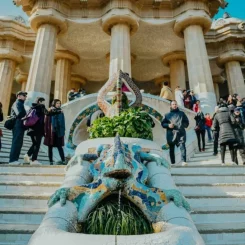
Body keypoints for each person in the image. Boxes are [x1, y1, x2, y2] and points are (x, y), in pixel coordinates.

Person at [161, 100, 189, 166]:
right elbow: (163, 124)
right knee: (171, 148)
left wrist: (181, 125)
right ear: (170, 105)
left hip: (181, 132)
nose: (174, 105)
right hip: (171, 133)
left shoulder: (182, 113)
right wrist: (168, 125)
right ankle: (172, 162)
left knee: (182, 146)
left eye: (175, 104)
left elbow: (186, 122)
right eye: (173, 104)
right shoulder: (167, 115)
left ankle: (184, 161)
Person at [24, 97, 47, 165]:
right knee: (37, 144)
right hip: (38, 129)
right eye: (43, 101)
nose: (44, 103)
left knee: (34, 143)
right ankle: (34, 160)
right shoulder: (41, 107)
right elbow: (47, 113)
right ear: (40, 102)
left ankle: (27, 155)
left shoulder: (32, 107)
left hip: (31, 128)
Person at [44, 99, 66, 165]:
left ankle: (63, 160)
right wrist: (46, 131)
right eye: (57, 103)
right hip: (51, 131)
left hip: (58, 131)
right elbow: (46, 122)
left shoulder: (61, 111)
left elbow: (63, 122)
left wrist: (63, 130)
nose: (58, 104)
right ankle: (51, 161)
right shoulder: (50, 110)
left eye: (59, 103)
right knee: (50, 146)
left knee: (59, 146)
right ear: (54, 104)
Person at [9, 91, 27, 165]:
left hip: (20, 124)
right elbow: (19, 113)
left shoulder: (21, 103)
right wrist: (27, 114)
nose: (25, 97)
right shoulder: (17, 103)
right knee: (16, 142)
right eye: (24, 95)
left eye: (26, 96)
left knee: (19, 142)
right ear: (18, 96)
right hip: (17, 124)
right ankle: (12, 160)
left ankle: (15, 159)